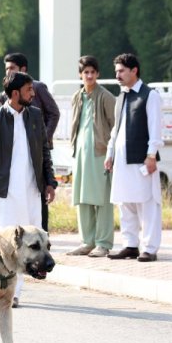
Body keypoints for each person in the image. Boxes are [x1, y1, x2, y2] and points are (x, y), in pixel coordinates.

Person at [0, 72, 56, 308]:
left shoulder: (35, 115)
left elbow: (45, 152)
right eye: (29, 90)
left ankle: (13, 292)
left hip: (32, 191)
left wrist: (50, 182)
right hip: (5, 193)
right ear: (15, 93)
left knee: (28, 244)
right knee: (4, 243)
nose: (33, 93)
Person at [105, 53, 163, 262]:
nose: (117, 75)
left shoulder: (150, 95)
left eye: (121, 71)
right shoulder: (122, 96)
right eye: (116, 72)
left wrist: (151, 155)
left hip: (141, 159)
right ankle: (130, 245)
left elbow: (155, 128)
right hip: (121, 160)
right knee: (125, 203)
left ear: (134, 70)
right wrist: (110, 153)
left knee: (147, 204)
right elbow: (116, 130)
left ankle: (149, 248)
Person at [0, 53, 60, 232]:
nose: (8, 71)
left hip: (37, 151)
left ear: (22, 69)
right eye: (6, 68)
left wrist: (43, 139)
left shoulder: (38, 88)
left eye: (12, 68)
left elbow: (54, 113)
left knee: (39, 196)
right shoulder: (5, 94)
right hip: (14, 157)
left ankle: (42, 237)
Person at [67, 56, 116, 258]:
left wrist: (112, 154)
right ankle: (87, 241)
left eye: (92, 72)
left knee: (102, 200)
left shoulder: (106, 97)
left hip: (100, 155)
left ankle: (103, 243)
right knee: (82, 199)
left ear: (97, 74)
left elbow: (116, 127)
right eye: (85, 72)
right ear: (80, 74)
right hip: (80, 155)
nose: (89, 75)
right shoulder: (77, 97)